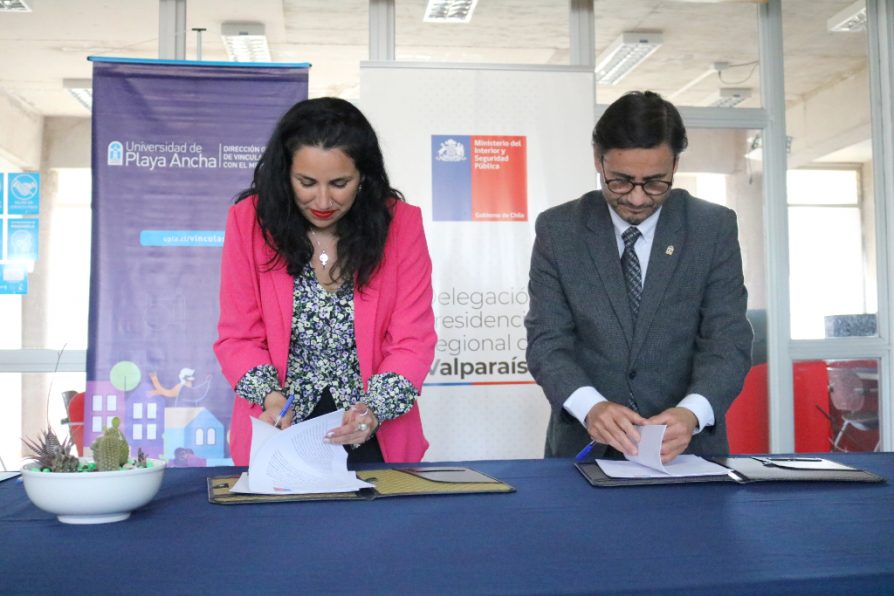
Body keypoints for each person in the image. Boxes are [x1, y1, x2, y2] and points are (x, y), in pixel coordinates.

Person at [525, 90, 753, 463]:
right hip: (583, 452)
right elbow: (547, 342)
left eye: (655, 182)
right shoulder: (559, 230)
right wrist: (591, 406)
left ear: (675, 165)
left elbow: (727, 340)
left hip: (687, 452)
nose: (636, 198)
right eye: (620, 181)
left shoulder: (712, 228)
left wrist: (692, 413)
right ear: (598, 160)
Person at [214, 97, 436, 466]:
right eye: (306, 182)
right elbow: (238, 336)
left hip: (373, 434)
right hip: (279, 432)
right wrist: (270, 399)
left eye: (339, 183)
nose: (322, 200)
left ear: (363, 176)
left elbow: (412, 340)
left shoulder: (401, 225)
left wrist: (374, 410)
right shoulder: (248, 222)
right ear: (285, 175)